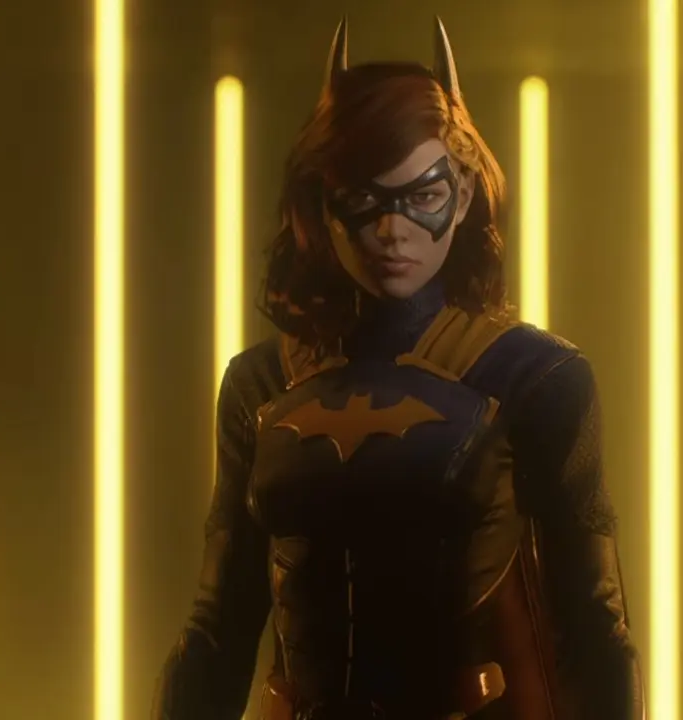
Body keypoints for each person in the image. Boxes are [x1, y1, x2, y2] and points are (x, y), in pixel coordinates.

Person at [153, 17, 644, 720]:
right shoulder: (259, 385)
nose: (393, 230)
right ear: (323, 204)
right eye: (365, 199)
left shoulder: (536, 377)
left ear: (463, 196)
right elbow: (217, 627)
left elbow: (594, 630)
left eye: (423, 198)